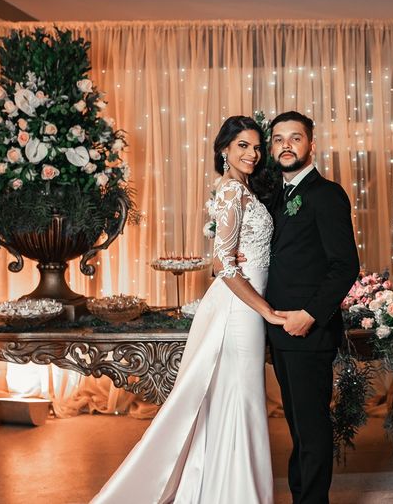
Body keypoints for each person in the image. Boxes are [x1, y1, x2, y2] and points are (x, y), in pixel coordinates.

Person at [92, 116, 283, 504]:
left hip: (243, 304)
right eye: (242, 145)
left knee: (235, 399)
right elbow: (225, 265)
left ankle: (223, 489)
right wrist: (268, 311)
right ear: (224, 150)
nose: (252, 153)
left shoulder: (244, 190)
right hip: (239, 309)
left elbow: (223, 259)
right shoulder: (231, 190)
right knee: (240, 399)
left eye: (256, 147)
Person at [264, 111, 360, 504]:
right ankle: (301, 496)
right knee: (298, 428)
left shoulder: (327, 194)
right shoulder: (275, 196)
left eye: (295, 137)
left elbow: (345, 265)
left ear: (311, 146)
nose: (286, 144)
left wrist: (311, 315)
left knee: (312, 427)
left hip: (308, 330)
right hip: (281, 331)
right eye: (279, 139)